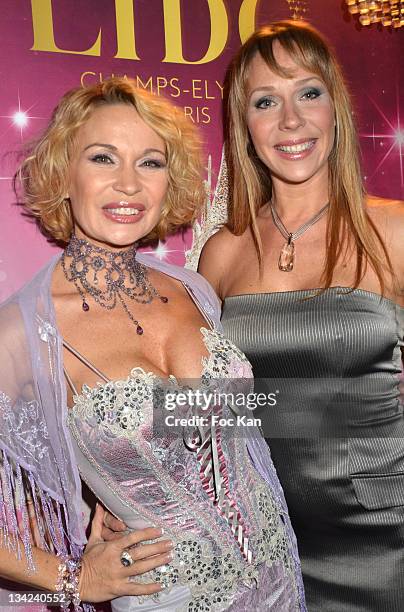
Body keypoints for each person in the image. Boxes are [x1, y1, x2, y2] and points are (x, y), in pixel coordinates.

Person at [0, 78, 305, 611]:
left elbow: (221, 429)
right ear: (63, 175)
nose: (128, 184)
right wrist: (72, 578)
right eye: (102, 158)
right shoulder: (23, 331)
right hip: (168, 597)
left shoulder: (193, 290)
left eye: (150, 162)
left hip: (279, 580)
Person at [198, 20, 404, 612]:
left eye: (307, 93)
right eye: (266, 101)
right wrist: (121, 457)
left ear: (335, 107)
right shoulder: (225, 250)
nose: (290, 121)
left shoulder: (390, 230)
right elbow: (207, 405)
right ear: (245, 125)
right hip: (262, 541)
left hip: (385, 533)